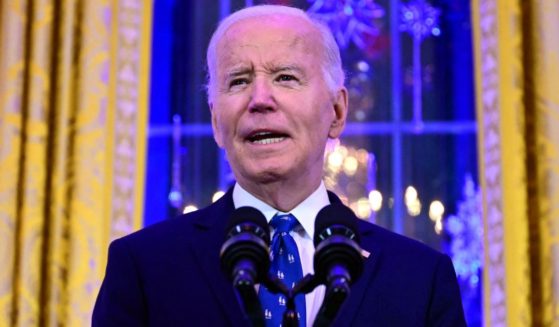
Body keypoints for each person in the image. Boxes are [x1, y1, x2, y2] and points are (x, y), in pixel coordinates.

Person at [93, 4, 466, 326]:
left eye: (285, 77)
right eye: (238, 81)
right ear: (215, 122)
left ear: (336, 112)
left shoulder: (420, 278)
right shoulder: (143, 267)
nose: (260, 99)